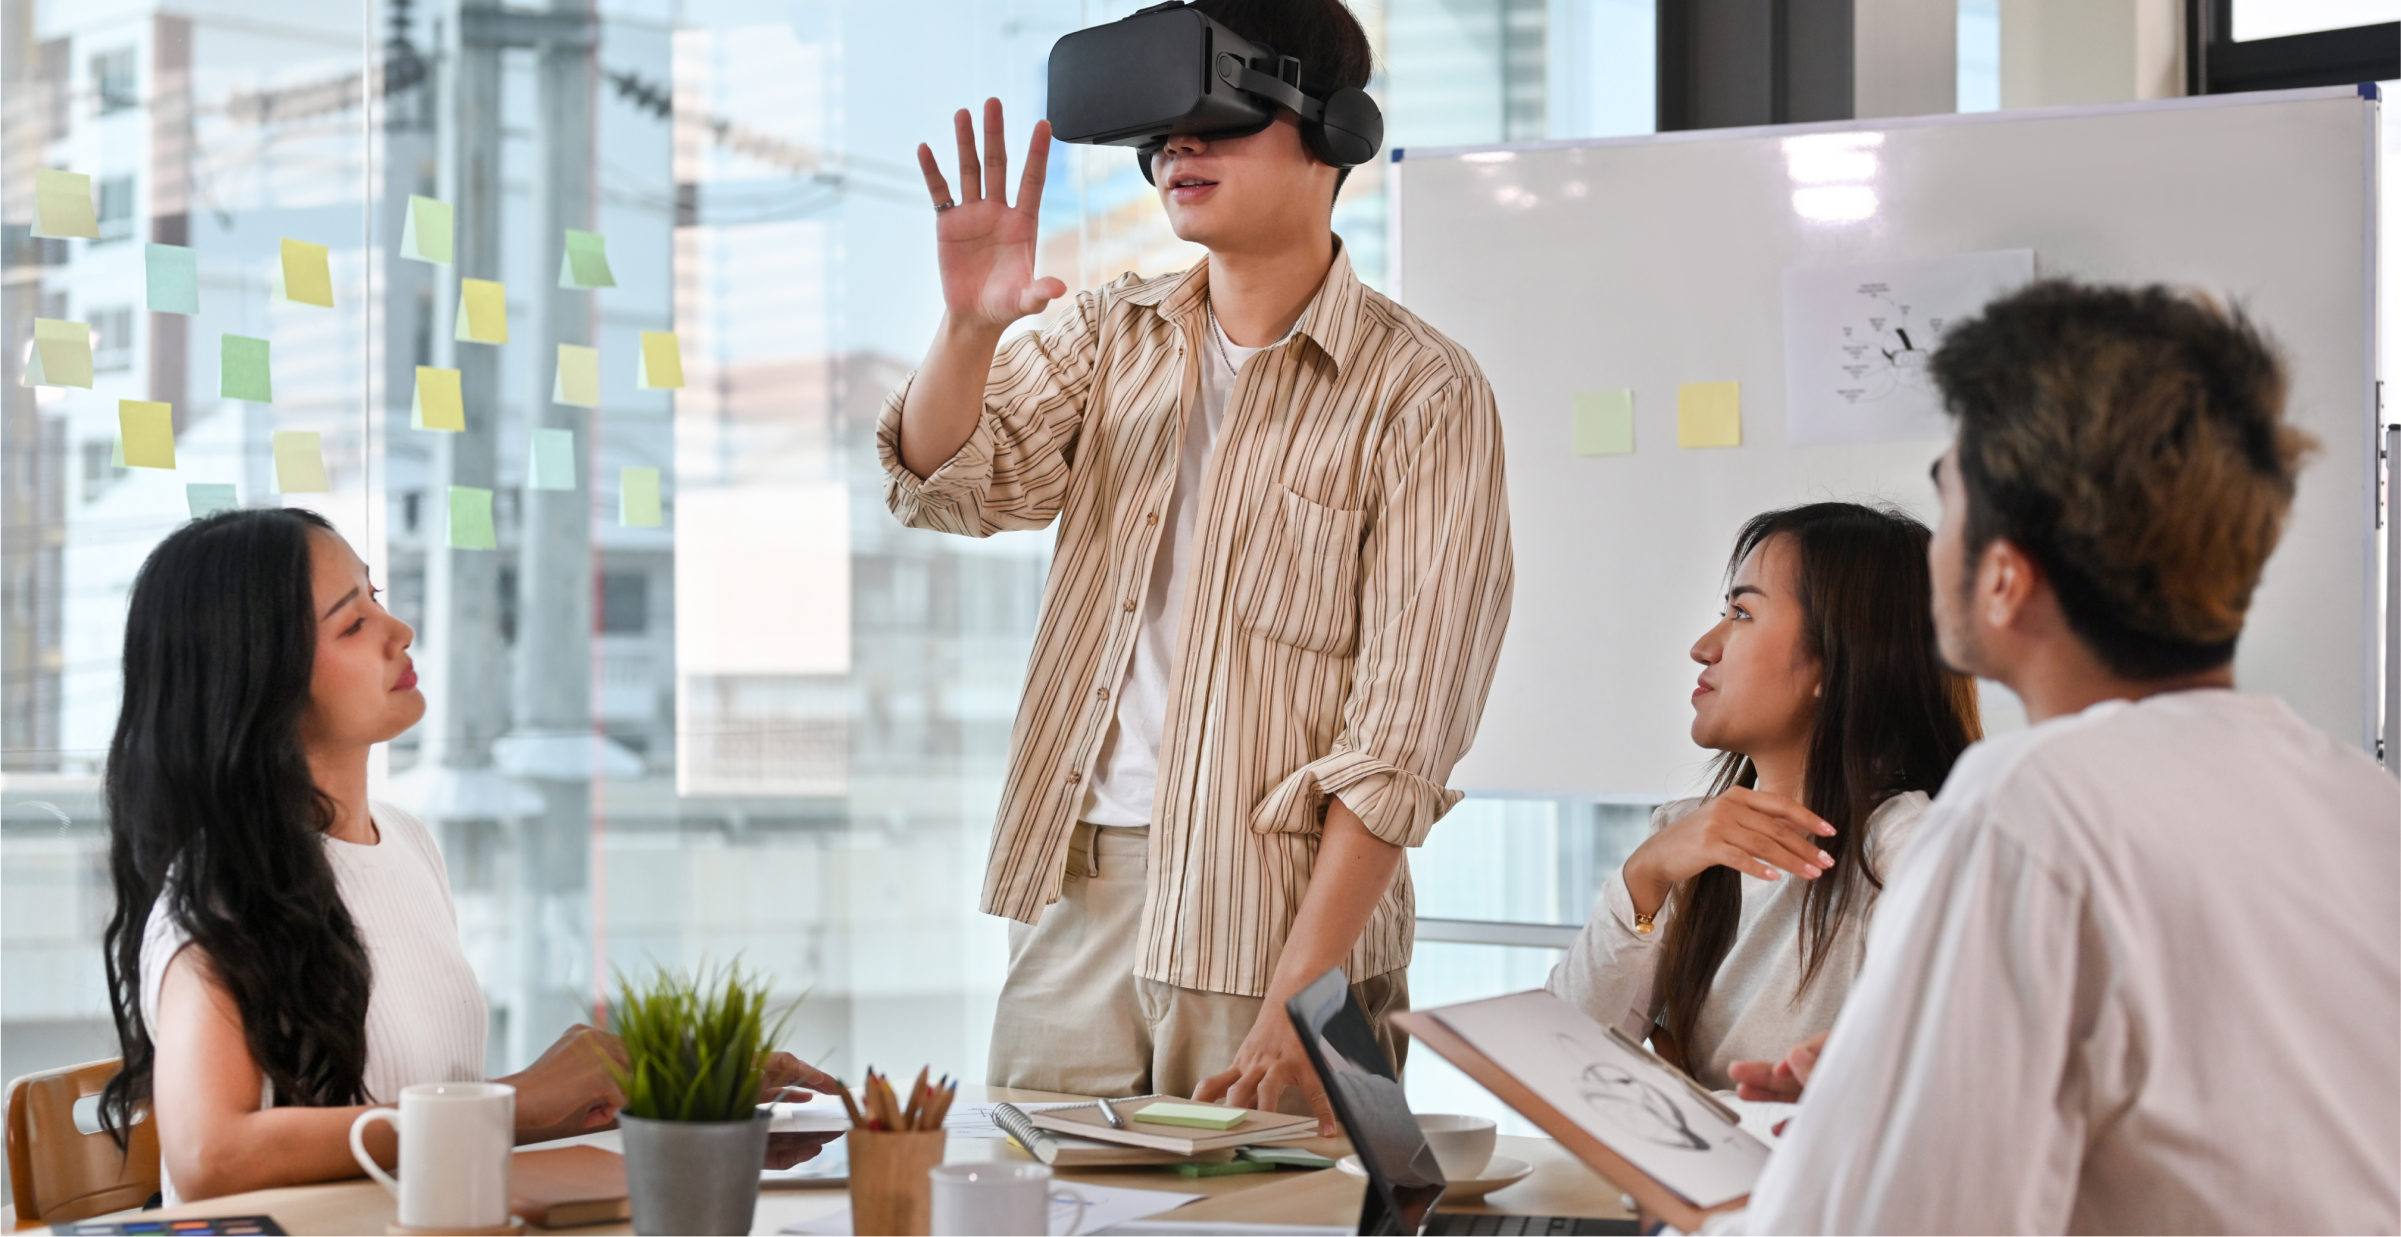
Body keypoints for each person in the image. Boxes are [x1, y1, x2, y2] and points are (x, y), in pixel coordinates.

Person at [886, 0, 1511, 1132]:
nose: (1179, 148)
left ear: (1334, 131)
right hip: (1080, 904)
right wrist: (970, 326)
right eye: (1160, 131)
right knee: (1043, 1214)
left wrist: (1303, 997)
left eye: (1213, 119)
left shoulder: (1423, 393)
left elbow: (1399, 745)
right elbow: (947, 485)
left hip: (1282, 923)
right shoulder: (1105, 336)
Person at [1716, 282, 2400, 1233]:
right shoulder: (2362, 801)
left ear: (2002, 576)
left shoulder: (2029, 806)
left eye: (1946, 496)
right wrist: (1894, 1086)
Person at [98, 509, 839, 1204]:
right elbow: (209, 1154)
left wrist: (684, 1104)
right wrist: (513, 1099)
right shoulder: (217, 891)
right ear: (256, 680)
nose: (400, 628)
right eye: (353, 623)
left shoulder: (407, 843)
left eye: (376, 596)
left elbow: (415, 1125)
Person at [1546, 503, 1979, 1090]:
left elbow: (1944, 1086)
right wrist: (1644, 876)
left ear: (1837, 659)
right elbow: (1559, 1061)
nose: (1704, 646)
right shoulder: (1687, 839)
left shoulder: (1911, 846)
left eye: (1743, 614)